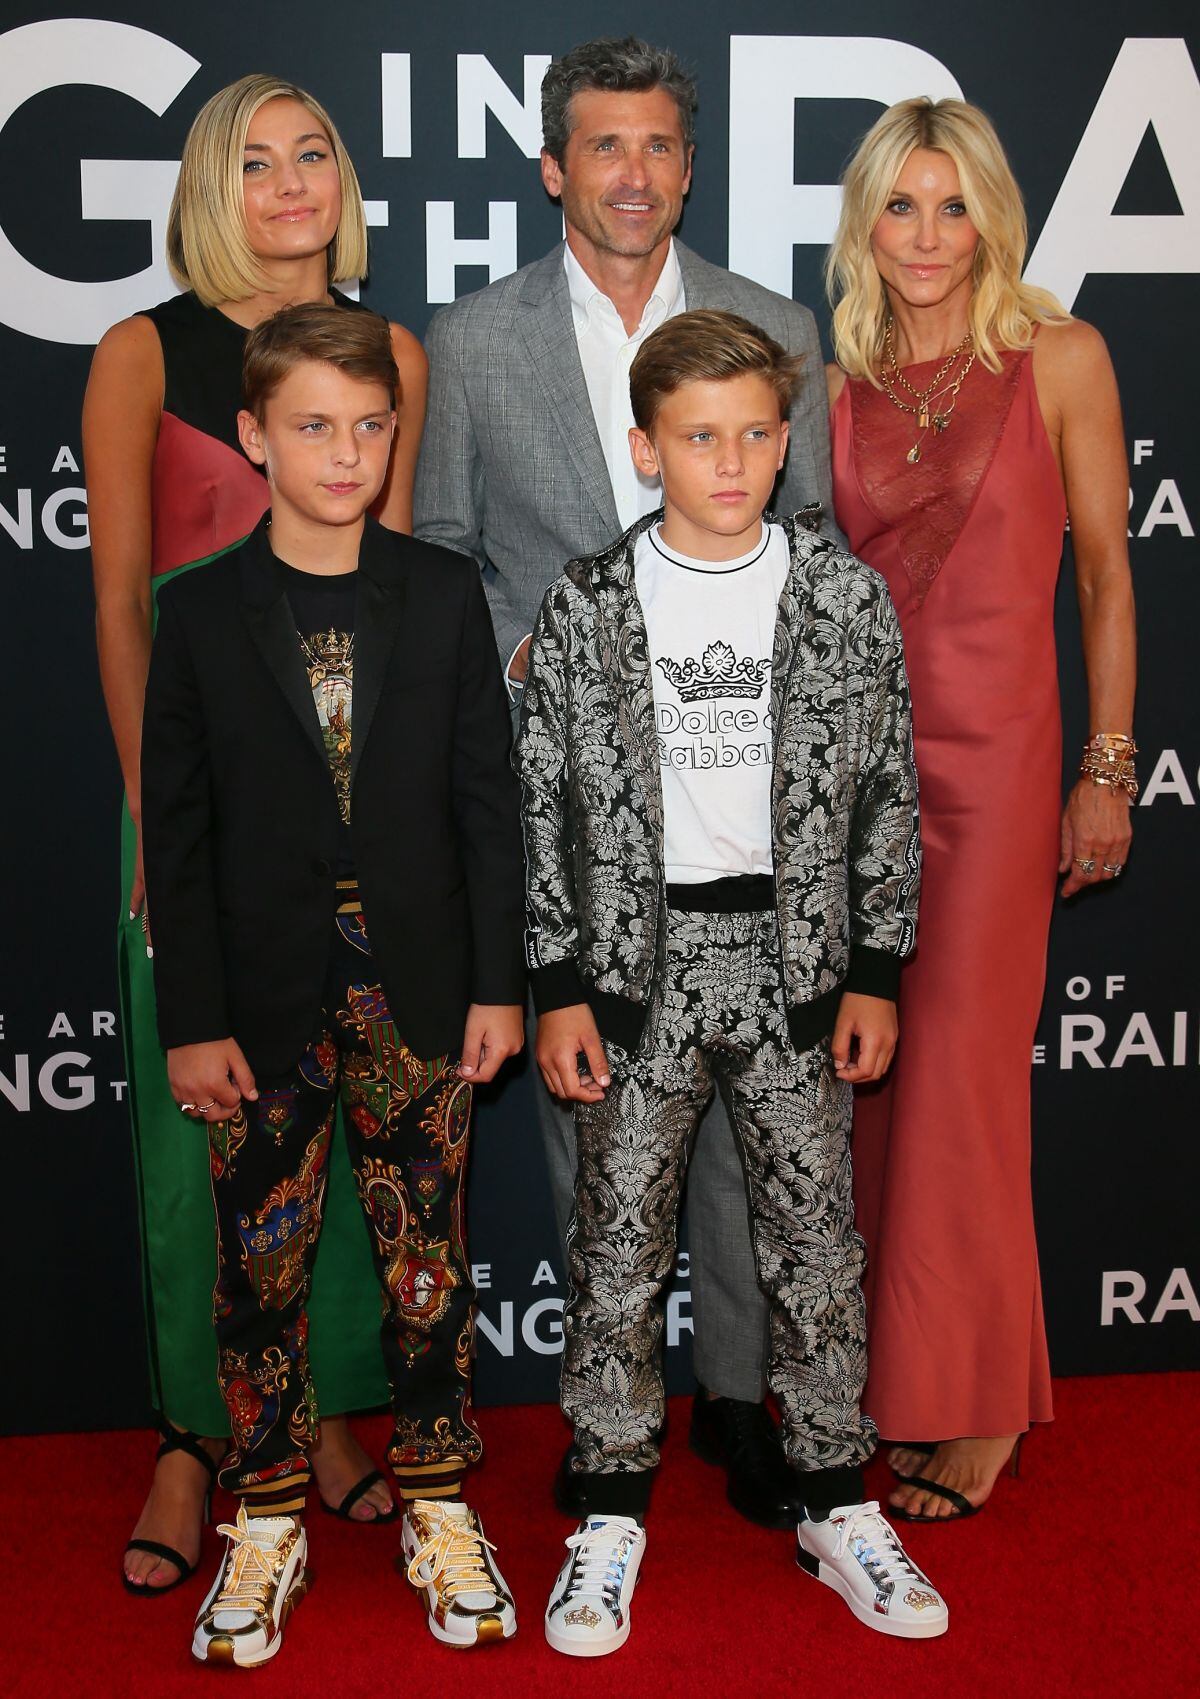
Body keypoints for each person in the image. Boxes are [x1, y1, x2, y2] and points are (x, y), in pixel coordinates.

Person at [415, 36, 841, 1529]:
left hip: (739, 789)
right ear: (554, 167)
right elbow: (446, 553)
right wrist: (515, 665)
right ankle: (614, 1414)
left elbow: (823, 551)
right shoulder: (470, 345)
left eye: (659, 146)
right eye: (605, 146)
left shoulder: (775, 322)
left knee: (748, 1103)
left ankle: (740, 1392)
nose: (634, 174)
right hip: (570, 810)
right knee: (596, 1097)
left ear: (685, 163)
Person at [515, 308, 947, 1656]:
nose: (732, 459)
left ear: (785, 442)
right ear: (647, 448)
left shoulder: (839, 594)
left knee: (816, 1243)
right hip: (638, 972)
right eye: (701, 437)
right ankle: (609, 1509)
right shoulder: (589, 601)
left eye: (758, 433)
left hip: (794, 966)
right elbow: (545, 802)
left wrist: (874, 968)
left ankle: (831, 1494)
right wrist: (559, 983)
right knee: (618, 1247)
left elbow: (883, 789)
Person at [83, 74, 429, 1592]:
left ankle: (327, 1416)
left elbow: (397, 591)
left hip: (353, 804)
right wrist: (169, 823)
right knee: (199, 1124)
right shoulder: (139, 352)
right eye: (254, 162)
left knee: (351, 1109)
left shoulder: (390, 352)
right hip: (197, 808)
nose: (289, 184)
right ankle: (189, 1435)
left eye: (312, 157)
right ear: (212, 190)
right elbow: (118, 601)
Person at [140, 304, 525, 1665]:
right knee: (261, 1270)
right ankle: (267, 1514)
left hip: (418, 984)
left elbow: (490, 802)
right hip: (254, 997)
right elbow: (173, 839)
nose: (347, 451)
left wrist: (499, 982)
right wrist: (190, 1019)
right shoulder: (193, 616)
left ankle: (435, 1497)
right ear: (252, 436)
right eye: (313, 425)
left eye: (371, 426)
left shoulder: (440, 594)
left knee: (429, 1258)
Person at [826, 97, 1136, 1520]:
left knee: (958, 1083)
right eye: (904, 207)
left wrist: (1108, 763)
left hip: (1004, 774)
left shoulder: (1060, 358)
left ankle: (988, 1407)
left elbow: (1104, 581)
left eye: (955, 207)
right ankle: (904, 1384)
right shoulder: (833, 384)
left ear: (994, 217)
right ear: (867, 224)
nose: (929, 236)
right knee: (874, 1097)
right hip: (858, 792)